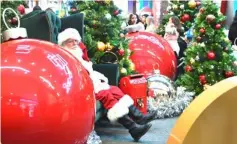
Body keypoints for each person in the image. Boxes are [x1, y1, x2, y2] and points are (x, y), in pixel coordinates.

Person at [57, 28, 156, 142]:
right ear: (64, 43)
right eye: (71, 41)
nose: (74, 43)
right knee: (106, 94)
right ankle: (133, 128)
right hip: (81, 87)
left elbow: (88, 69)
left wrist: (96, 79)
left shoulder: (78, 53)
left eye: (76, 41)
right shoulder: (65, 56)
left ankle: (138, 116)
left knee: (115, 90)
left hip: (92, 81)